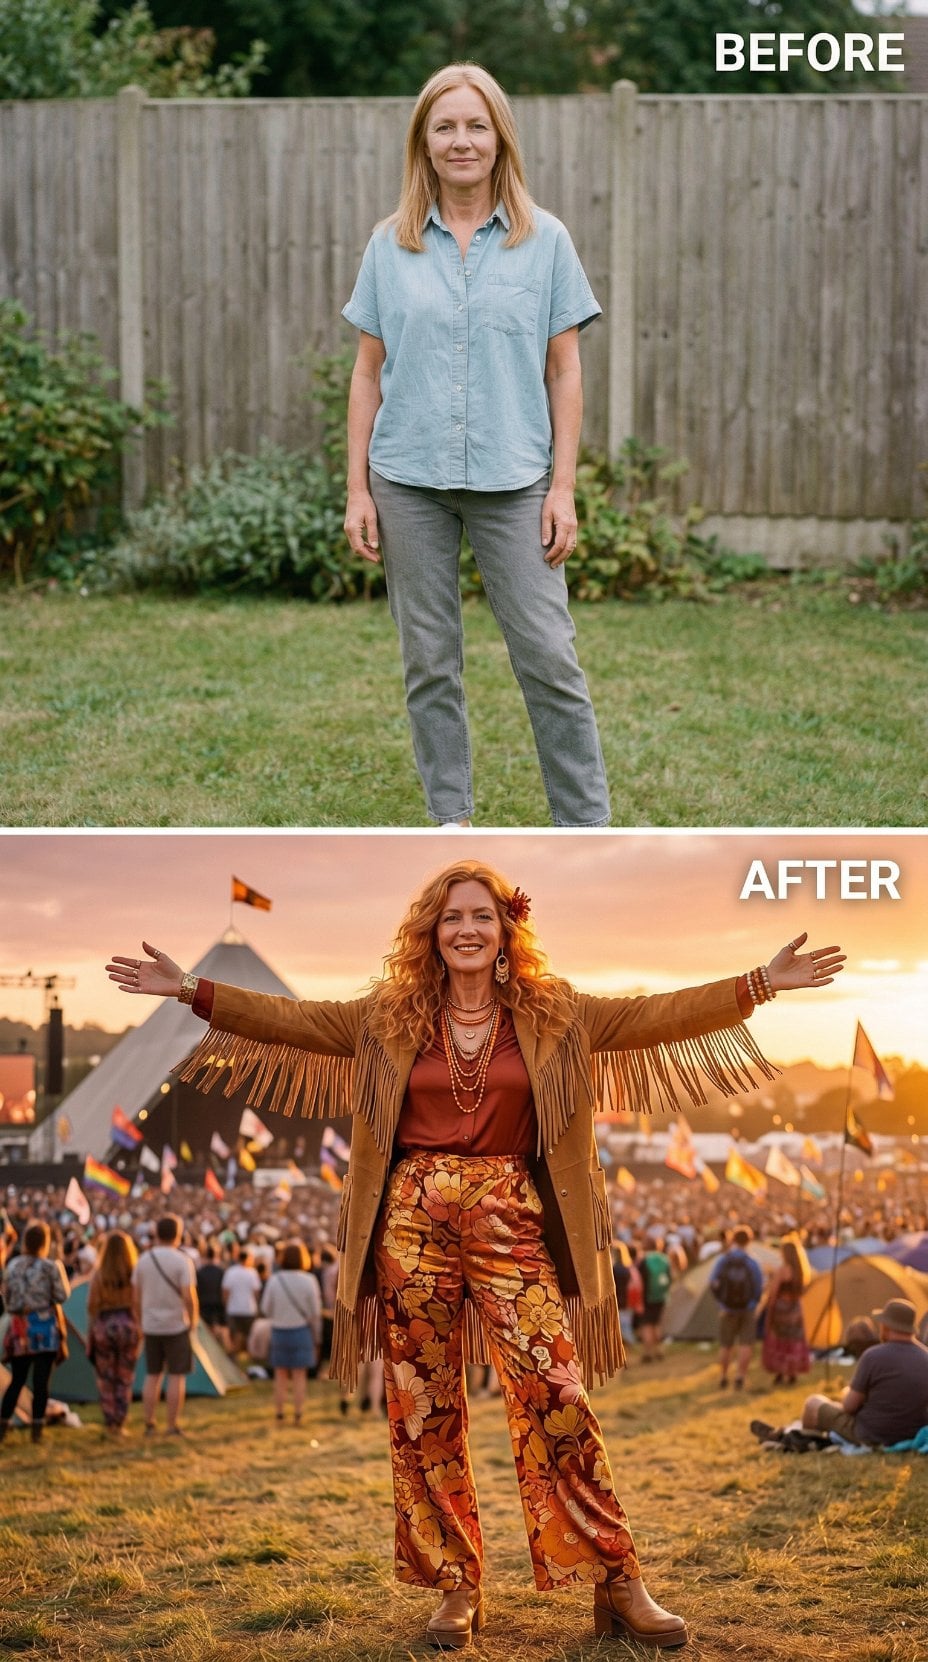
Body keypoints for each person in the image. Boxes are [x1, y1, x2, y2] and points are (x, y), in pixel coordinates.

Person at [107, 870, 843, 1649]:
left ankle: (617, 1577)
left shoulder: (555, 1011)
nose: (466, 928)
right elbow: (289, 1019)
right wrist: (190, 988)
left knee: (554, 1389)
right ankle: (456, 1586)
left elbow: (654, 1014)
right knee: (422, 1408)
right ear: (430, 930)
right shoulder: (385, 1018)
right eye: (451, 916)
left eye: (481, 916)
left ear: (505, 930)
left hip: (510, 1216)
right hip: (409, 1226)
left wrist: (761, 982)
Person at [342, 64, 610, 829]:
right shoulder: (389, 246)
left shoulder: (546, 241)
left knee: (550, 660)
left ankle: (584, 826)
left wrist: (562, 488)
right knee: (430, 664)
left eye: (475, 126)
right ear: (424, 144)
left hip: (516, 479)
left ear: (500, 140)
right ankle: (450, 820)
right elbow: (367, 374)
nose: (461, 141)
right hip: (408, 481)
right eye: (445, 127)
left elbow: (565, 370)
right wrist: (358, 490)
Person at [801, 1298, 928, 1446]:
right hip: (912, 1434)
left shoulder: (873, 1356)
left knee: (813, 1403)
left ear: (886, 1327)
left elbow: (849, 1407)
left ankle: (810, 1442)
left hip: (871, 1435)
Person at [0, 1220, 70, 1445]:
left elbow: (7, 1300)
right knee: (41, 1381)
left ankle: (3, 1425)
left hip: (19, 1327)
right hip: (44, 1328)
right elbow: (62, 1296)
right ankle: (37, 1429)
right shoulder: (50, 1267)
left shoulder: (12, 1266)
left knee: (17, 1380)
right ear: (45, 1242)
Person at [132, 1215, 198, 1438]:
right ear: (178, 1235)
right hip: (177, 1324)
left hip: (150, 1325)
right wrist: (193, 1321)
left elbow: (135, 1296)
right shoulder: (182, 1261)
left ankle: (150, 1424)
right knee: (176, 1376)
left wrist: (140, 1320)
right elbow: (189, 1296)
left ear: (157, 1233)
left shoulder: (144, 1259)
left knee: (152, 1375)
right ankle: (172, 1424)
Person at [86, 1230, 142, 1438]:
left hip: (104, 1325)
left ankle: (110, 1420)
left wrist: (90, 1332)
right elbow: (137, 1304)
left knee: (106, 1377)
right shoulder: (133, 1274)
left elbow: (92, 1306)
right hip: (128, 1325)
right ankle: (120, 1420)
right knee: (125, 1376)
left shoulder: (98, 1276)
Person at [260, 1239, 323, 1425]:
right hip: (301, 1331)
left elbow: (265, 1308)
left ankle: (279, 1412)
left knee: (280, 1375)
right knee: (299, 1375)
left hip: (279, 1330)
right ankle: (298, 1412)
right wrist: (317, 1337)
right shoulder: (309, 1280)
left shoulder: (274, 1279)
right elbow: (315, 1312)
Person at [709, 1225, 764, 1390]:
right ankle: (740, 1376)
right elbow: (758, 1286)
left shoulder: (724, 1260)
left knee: (726, 1344)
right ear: (750, 1240)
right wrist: (753, 1303)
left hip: (727, 1309)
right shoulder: (752, 1261)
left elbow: (713, 1282)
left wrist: (722, 1302)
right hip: (748, 1308)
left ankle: (724, 1376)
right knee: (746, 1343)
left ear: (732, 1239)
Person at [760, 1235, 810, 1385]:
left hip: (781, 1308)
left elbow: (773, 1291)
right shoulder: (802, 1271)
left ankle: (781, 1372)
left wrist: (769, 1308)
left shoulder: (783, 1270)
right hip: (795, 1308)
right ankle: (792, 1372)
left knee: (780, 1340)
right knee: (794, 1340)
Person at [221, 1244, 262, 1359]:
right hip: (249, 1309)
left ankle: (234, 1355)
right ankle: (249, 1356)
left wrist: (226, 1305)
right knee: (248, 1335)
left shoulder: (230, 1272)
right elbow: (256, 1292)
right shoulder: (252, 1273)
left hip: (233, 1308)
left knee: (235, 1334)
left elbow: (225, 1291)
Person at [638, 1235, 673, 1364]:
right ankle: (659, 1350)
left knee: (647, 1324)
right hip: (661, 1296)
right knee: (657, 1324)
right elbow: (669, 1278)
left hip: (647, 1297)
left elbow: (640, 1281)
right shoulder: (665, 1259)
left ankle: (648, 1353)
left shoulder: (644, 1260)